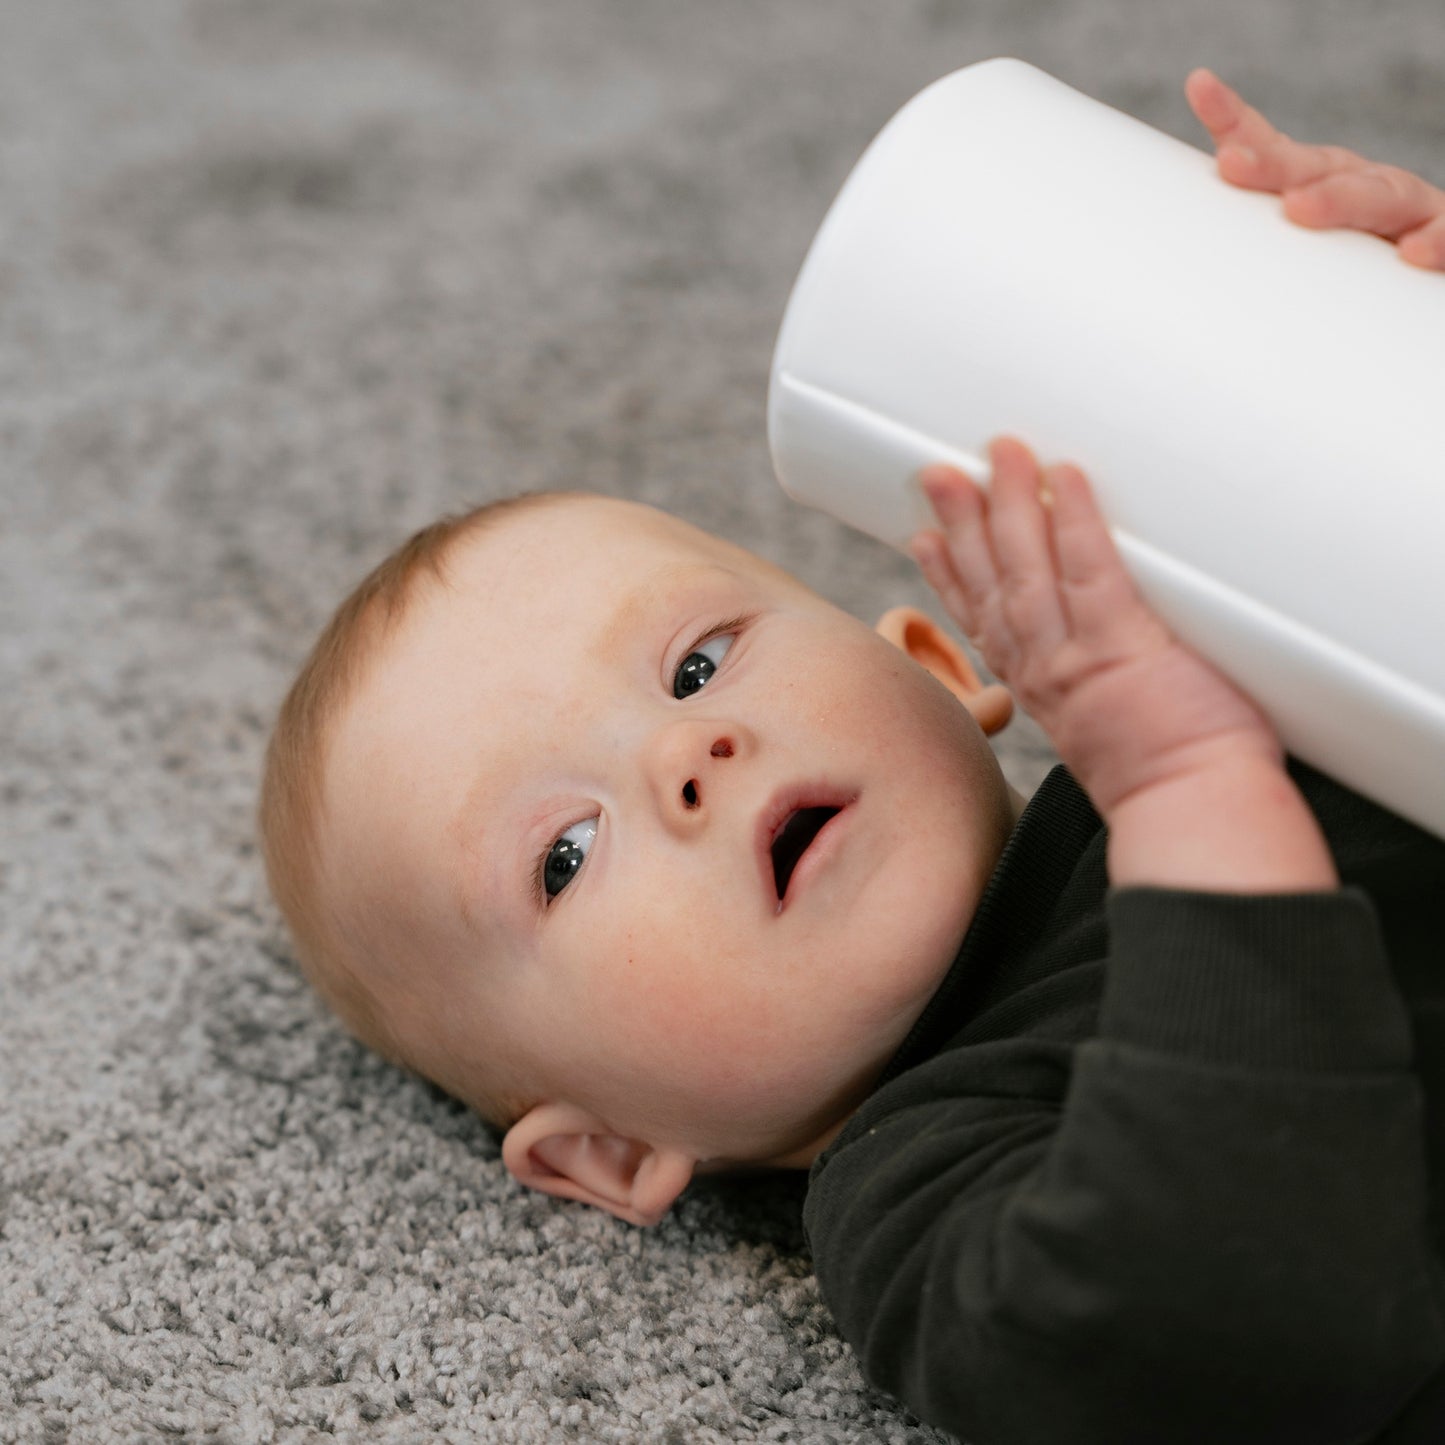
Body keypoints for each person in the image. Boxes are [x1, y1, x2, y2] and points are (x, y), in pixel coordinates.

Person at [257, 71, 1445, 1443]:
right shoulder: (917, 1182)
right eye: (564, 853)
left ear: (940, 665)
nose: (688, 754)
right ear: (611, 1147)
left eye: (697, 662)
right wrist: (1191, 786)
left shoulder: (1249, 687)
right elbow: (1214, 1337)